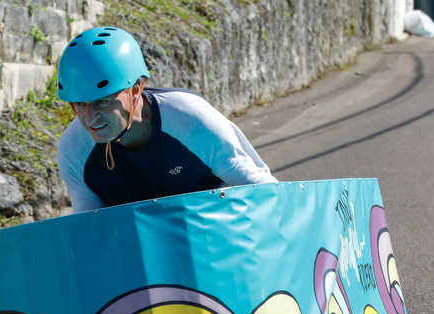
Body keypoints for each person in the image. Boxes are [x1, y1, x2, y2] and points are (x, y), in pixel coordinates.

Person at [56, 26, 276, 214]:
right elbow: (93, 231)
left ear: (136, 90)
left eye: (103, 101)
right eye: (80, 104)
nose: (90, 118)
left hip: (217, 229)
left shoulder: (191, 119)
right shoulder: (74, 150)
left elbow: (265, 193)